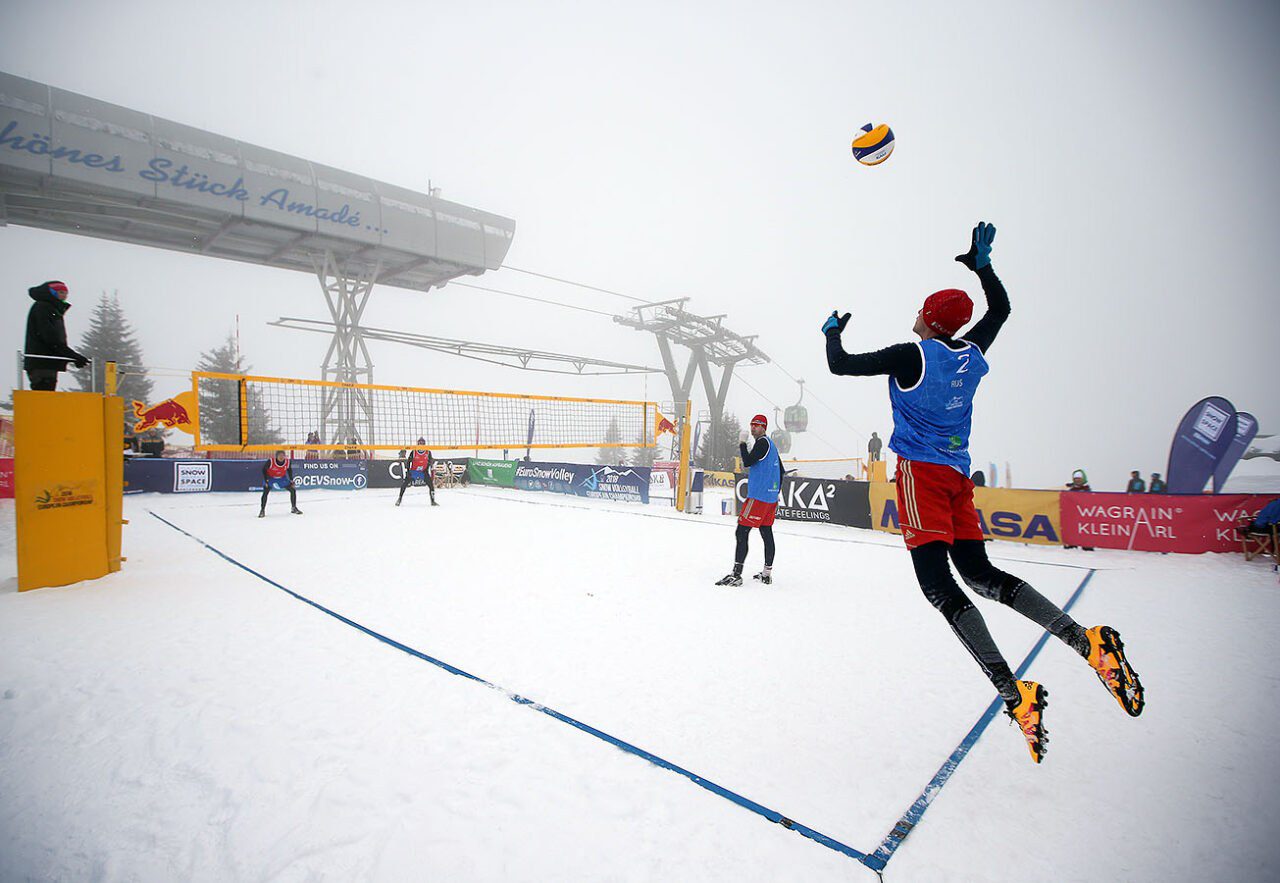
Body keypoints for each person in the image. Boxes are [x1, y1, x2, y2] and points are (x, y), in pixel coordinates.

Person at [822, 221, 1143, 763]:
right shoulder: (970, 352)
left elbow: (840, 365)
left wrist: (831, 332)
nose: (917, 315)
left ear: (929, 318)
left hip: (923, 476)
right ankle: (1085, 641)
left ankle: (1013, 693)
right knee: (980, 574)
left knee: (940, 588)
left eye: (922, 310)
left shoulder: (912, 354)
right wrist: (984, 267)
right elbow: (1001, 311)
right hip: (957, 477)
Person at [716, 414, 782, 586]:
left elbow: (747, 461)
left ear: (764, 427)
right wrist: (776, 491)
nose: (753, 427)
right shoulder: (771, 445)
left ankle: (736, 575)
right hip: (770, 498)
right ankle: (766, 574)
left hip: (759, 497)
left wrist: (742, 443)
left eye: (757, 425)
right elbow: (781, 470)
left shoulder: (762, 443)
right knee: (766, 532)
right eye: (752, 424)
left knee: (742, 531)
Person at [24, 281, 89, 390]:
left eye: (66, 293)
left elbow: (53, 339)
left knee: (47, 393)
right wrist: (72, 355)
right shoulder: (43, 307)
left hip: (46, 362)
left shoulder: (51, 308)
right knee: (44, 393)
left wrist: (71, 356)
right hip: (42, 362)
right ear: (51, 292)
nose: (64, 295)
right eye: (61, 292)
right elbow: (51, 338)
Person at [396, 438, 438, 507]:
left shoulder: (428, 452)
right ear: (418, 444)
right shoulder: (414, 452)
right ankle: (399, 499)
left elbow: (430, 461)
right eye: (420, 443)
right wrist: (408, 471)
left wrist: (427, 469)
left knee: (431, 485)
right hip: (414, 471)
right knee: (404, 484)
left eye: (422, 443)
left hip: (423, 472)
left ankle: (433, 501)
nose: (421, 444)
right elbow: (408, 462)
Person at [259, 450, 302, 517]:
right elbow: (264, 469)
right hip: (271, 478)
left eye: (283, 455)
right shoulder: (271, 461)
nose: (281, 457)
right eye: (280, 456)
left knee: (293, 490)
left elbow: (289, 470)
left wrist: (291, 479)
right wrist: (266, 480)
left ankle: (294, 508)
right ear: (276, 456)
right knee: (265, 492)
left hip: (281, 478)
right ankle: (262, 510)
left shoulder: (287, 462)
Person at [1063, 469, 1094, 550]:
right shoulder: (1071, 490)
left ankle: (1087, 546)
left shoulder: (1087, 490)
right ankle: (1071, 544)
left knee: (1085, 530)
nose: (1077, 480)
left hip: (1084, 515)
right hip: (1073, 515)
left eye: (1079, 479)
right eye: (1075, 479)